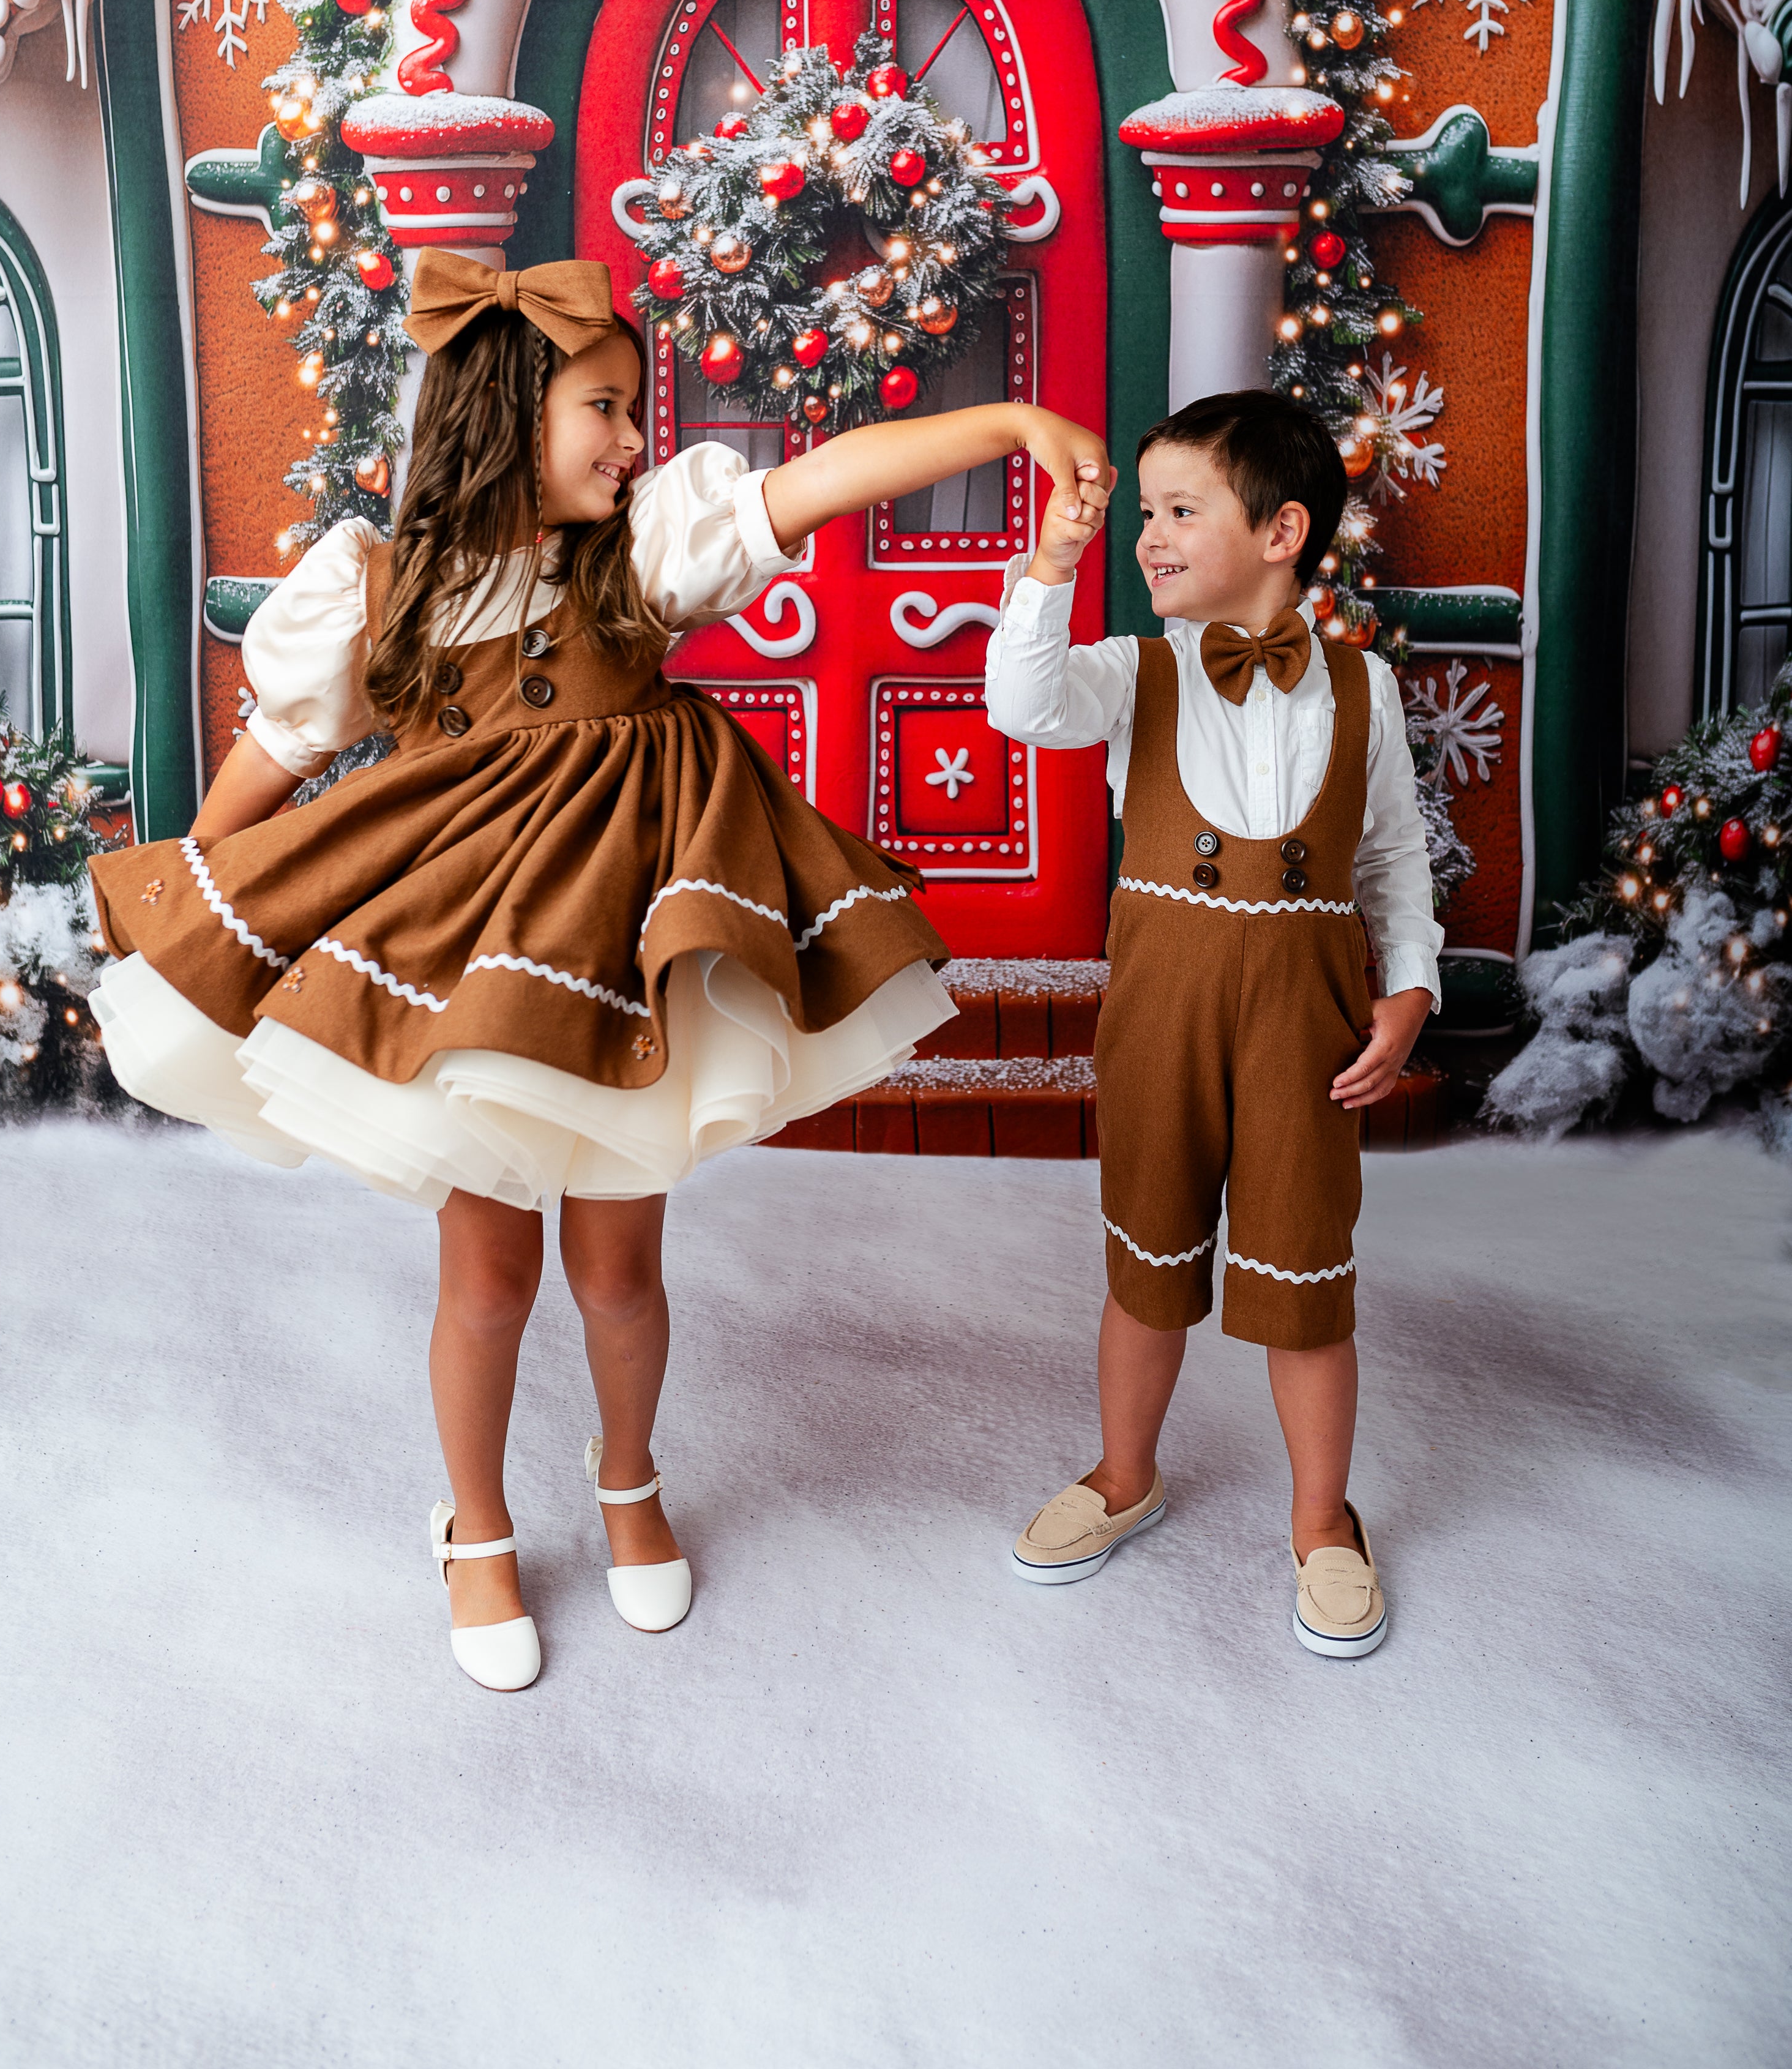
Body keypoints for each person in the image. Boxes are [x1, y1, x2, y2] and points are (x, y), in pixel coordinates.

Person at [91, 251, 1108, 1693]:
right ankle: (480, 1526)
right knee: (489, 1271)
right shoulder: (376, 589)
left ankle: (627, 1478)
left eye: (637, 413)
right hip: (474, 975)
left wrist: (1004, 426)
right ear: (508, 411)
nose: (636, 441)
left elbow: (819, 481)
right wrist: (195, 914)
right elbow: (269, 764)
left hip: (628, 969)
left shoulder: (637, 554)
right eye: (606, 408)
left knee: (619, 1273)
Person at [985, 389, 1441, 1657]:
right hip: (1164, 1007)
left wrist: (1407, 988)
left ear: (1282, 529)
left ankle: (1319, 1519)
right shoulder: (1135, 673)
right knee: (1147, 1265)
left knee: (1304, 1279)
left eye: (1181, 511)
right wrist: (1053, 560)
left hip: (1302, 1015)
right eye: (1144, 514)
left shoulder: (1361, 692)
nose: (1151, 536)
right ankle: (1125, 1475)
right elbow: (1021, 706)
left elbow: (1393, 859)